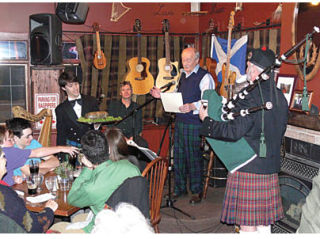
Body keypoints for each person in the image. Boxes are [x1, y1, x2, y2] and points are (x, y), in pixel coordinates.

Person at [199, 47, 288, 233]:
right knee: (265, 223)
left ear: (255, 70)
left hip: (248, 166)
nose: (246, 67)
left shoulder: (251, 96)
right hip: (270, 167)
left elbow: (233, 132)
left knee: (248, 226)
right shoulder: (281, 96)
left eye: (248, 65)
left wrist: (207, 121)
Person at [150, 47, 215, 204]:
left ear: (196, 60)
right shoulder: (182, 77)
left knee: (193, 158)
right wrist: (162, 96)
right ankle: (179, 189)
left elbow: (208, 101)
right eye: (183, 59)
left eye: (188, 60)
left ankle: (196, 191)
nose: (185, 63)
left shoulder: (205, 77)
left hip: (195, 124)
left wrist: (192, 106)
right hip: (179, 123)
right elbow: (178, 97)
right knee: (178, 158)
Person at [51, 129, 141, 233]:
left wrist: (88, 168)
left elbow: (72, 199)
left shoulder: (91, 188)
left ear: (86, 157)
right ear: (107, 150)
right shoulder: (131, 167)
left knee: (57, 227)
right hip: (133, 223)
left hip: (106, 229)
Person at [0, 145, 58, 233]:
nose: (6, 160)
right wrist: (49, 210)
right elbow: (34, 227)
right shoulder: (4, 193)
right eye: (3, 157)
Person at [0, 125, 78, 186]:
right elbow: (37, 153)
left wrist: (13, 179)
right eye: (10, 140)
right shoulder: (8, 152)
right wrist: (62, 148)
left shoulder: (32, 143)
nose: (13, 142)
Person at [55, 70, 99, 150]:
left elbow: (98, 126)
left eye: (76, 84)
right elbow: (61, 134)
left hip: (92, 146)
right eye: (71, 86)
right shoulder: (60, 109)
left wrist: (97, 125)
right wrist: (60, 155)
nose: (75, 88)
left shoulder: (92, 101)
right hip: (72, 148)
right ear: (63, 88)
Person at [107, 81, 148, 148]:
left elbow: (139, 127)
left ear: (132, 91)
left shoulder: (137, 107)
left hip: (133, 137)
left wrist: (131, 139)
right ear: (120, 93)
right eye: (123, 90)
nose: (126, 92)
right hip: (118, 136)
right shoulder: (113, 106)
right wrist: (124, 139)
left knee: (143, 144)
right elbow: (111, 125)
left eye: (128, 89)